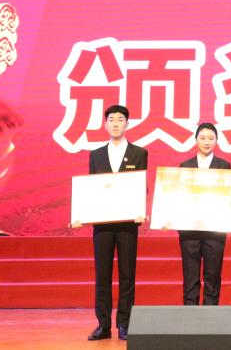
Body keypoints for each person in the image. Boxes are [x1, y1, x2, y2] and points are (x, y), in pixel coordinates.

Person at [86, 104, 148, 342]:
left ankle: (124, 324)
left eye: (120, 120)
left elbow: (141, 186)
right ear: (105, 125)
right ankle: (103, 325)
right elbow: (91, 189)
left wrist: (140, 210)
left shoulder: (139, 153)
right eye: (111, 119)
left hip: (127, 224)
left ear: (127, 124)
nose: (115, 123)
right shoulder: (96, 155)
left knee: (127, 275)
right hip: (102, 224)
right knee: (102, 275)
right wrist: (84, 212)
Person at [178, 122, 231, 306]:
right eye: (202, 138)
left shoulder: (224, 166)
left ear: (216, 141)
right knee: (190, 274)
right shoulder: (185, 166)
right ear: (196, 140)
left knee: (213, 275)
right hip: (189, 229)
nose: (207, 142)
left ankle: (211, 315)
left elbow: (230, 196)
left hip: (215, 230)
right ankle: (189, 315)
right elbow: (178, 197)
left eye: (211, 138)